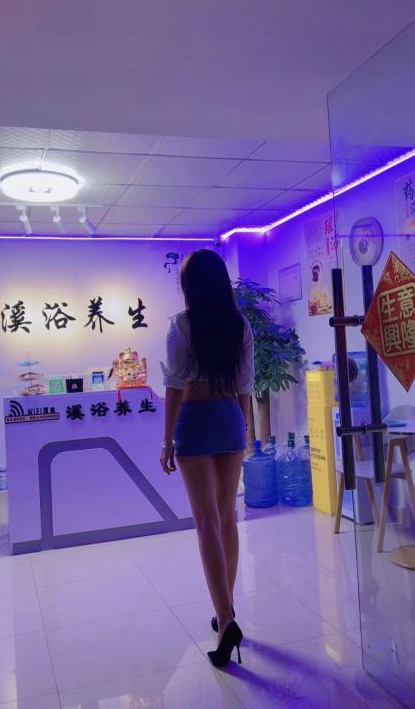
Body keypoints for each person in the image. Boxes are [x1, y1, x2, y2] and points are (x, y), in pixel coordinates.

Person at [160, 249, 254, 668]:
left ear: (190, 285)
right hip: (230, 416)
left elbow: (175, 387)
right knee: (227, 517)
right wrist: (243, 427)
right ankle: (225, 610)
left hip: (195, 420)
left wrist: (167, 440)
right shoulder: (240, 324)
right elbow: (246, 384)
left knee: (207, 524)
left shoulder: (181, 325)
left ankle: (226, 618)